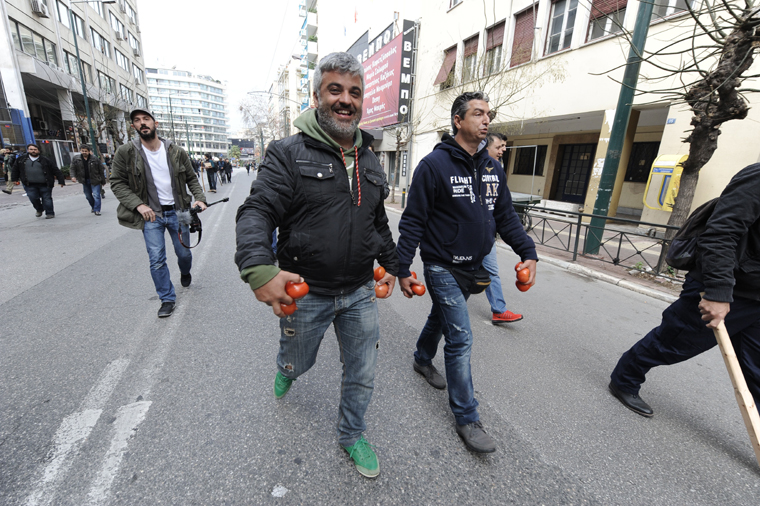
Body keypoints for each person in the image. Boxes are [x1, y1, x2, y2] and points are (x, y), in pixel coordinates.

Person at [235, 52, 398, 478]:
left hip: (360, 290)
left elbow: (377, 222)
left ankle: (352, 434)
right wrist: (258, 266)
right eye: (335, 89)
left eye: (354, 92)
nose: (346, 100)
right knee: (298, 361)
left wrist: (395, 264)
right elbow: (258, 210)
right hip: (306, 291)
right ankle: (287, 369)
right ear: (316, 97)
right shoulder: (287, 153)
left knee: (362, 370)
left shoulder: (370, 159)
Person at [396, 91, 538, 454]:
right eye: (478, 113)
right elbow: (413, 221)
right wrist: (401, 267)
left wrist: (528, 252)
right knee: (460, 337)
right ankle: (467, 417)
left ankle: (422, 358)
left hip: (473, 267)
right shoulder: (433, 166)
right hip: (441, 264)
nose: (486, 120)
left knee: (442, 318)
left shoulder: (493, 168)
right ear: (458, 120)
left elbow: (505, 216)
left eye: (488, 114)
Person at [609, 163, 760, 418]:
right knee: (674, 343)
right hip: (727, 288)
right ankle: (625, 378)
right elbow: (721, 233)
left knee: (756, 370)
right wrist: (718, 292)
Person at [110, 108, 207, 318]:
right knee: (156, 259)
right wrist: (138, 205)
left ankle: (185, 271)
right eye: (137, 120)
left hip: (179, 212)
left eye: (146, 119)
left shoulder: (176, 151)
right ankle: (167, 299)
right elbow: (117, 182)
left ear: (155, 124)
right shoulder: (126, 152)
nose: (142, 123)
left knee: (184, 253)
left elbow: (191, 178)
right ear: (134, 126)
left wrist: (200, 198)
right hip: (151, 215)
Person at [482, 132, 522, 324]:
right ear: (485, 147)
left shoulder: (497, 169)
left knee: (491, 271)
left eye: (504, 147)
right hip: (464, 237)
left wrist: (527, 250)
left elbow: (505, 210)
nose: (503, 150)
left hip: (486, 235)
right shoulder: (469, 168)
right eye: (498, 147)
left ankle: (499, 310)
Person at [12, 143, 65, 219]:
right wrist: (14, 179)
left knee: (47, 198)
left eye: (35, 149)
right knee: (33, 197)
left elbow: (55, 170)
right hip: (29, 184)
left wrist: (61, 181)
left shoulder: (45, 160)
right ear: (28, 150)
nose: (33, 151)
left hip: (45, 183)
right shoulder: (21, 160)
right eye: (31, 149)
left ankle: (49, 213)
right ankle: (39, 209)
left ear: (38, 151)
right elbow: (15, 170)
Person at [70, 145, 107, 215]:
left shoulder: (95, 159)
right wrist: (73, 176)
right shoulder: (76, 159)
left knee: (96, 195)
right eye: (82, 151)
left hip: (95, 179)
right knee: (88, 196)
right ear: (80, 151)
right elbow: (72, 168)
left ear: (89, 151)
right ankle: (93, 206)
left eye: (86, 151)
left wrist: (103, 180)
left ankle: (97, 210)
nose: (84, 152)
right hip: (84, 180)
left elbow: (101, 169)